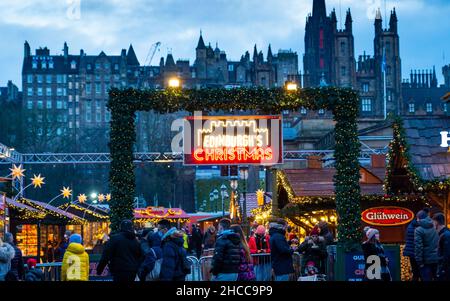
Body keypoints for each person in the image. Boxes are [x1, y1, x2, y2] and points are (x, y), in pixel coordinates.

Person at [415, 210, 439, 281]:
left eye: (417, 218)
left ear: (419, 218)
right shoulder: (435, 227)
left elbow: (418, 247)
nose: (416, 219)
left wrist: (419, 261)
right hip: (437, 259)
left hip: (425, 261)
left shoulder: (418, 230)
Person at [432, 213, 450, 281]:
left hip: (445, 273)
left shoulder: (446, 235)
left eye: (433, 222)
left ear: (436, 222)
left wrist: (441, 271)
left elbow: (447, 256)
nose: (432, 225)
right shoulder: (444, 234)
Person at [403, 214, 420, 281]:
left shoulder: (410, 225)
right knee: (420, 273)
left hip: (411, 252)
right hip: (417, 252)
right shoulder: (418, 227)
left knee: (415, 273)